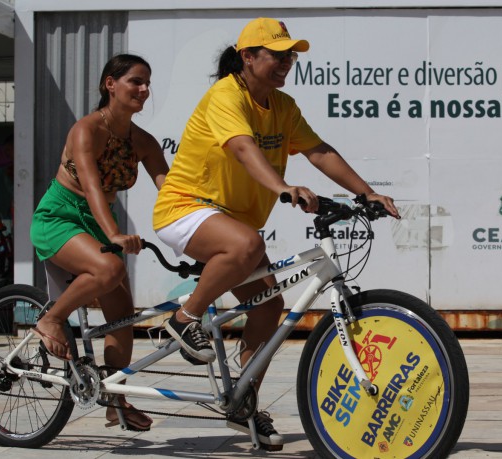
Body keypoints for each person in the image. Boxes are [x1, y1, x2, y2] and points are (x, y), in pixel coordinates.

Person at [152, 17, 400, 450]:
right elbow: (243, 148)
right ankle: (184, 318)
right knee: (248, 244)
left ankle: (242, 402)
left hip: (233, 222)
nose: (287, 62)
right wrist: (284, 188)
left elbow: (318, 151)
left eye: (291, 55)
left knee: (269, 309)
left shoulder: (282, 106)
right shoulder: (225, 95)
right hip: (186, 208)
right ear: (248, 57)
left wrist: (368, 192)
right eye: (278, 54)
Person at [30, 54, 169, 432]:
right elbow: (92, 187)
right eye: (135, 82)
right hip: (60, 217)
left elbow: (172, 193)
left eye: (147, 82)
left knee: (123, 316)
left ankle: (113, 398)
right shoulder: (86, 130)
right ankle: (52, 318)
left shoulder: (144, 142)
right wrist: (113, 235)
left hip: (97, 223)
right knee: (110, 267)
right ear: (110, 84)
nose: (144, 89)